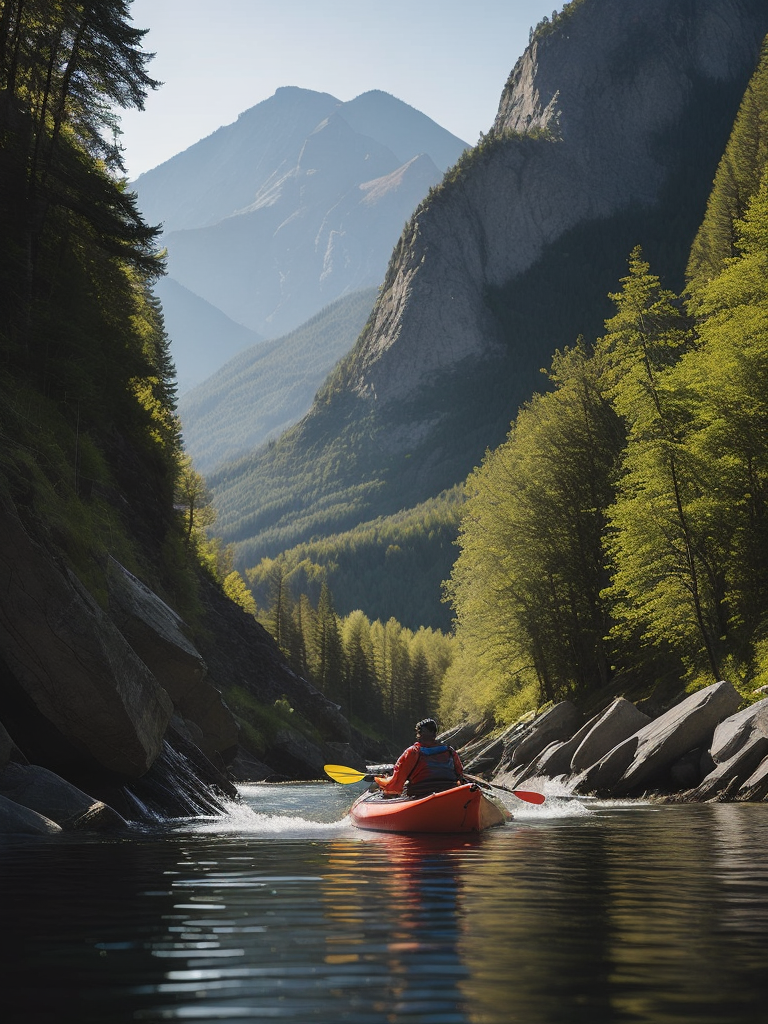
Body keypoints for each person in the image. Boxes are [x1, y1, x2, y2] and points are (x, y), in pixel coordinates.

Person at [374, 718, 464, 798]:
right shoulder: (449, 751)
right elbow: (459, 773)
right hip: (448, 791)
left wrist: (384, 786)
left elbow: (396, 782)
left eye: (421, 733)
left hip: (420, 794)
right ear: (434, 733)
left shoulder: (412, 752)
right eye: (421, 733)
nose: (421, 735)